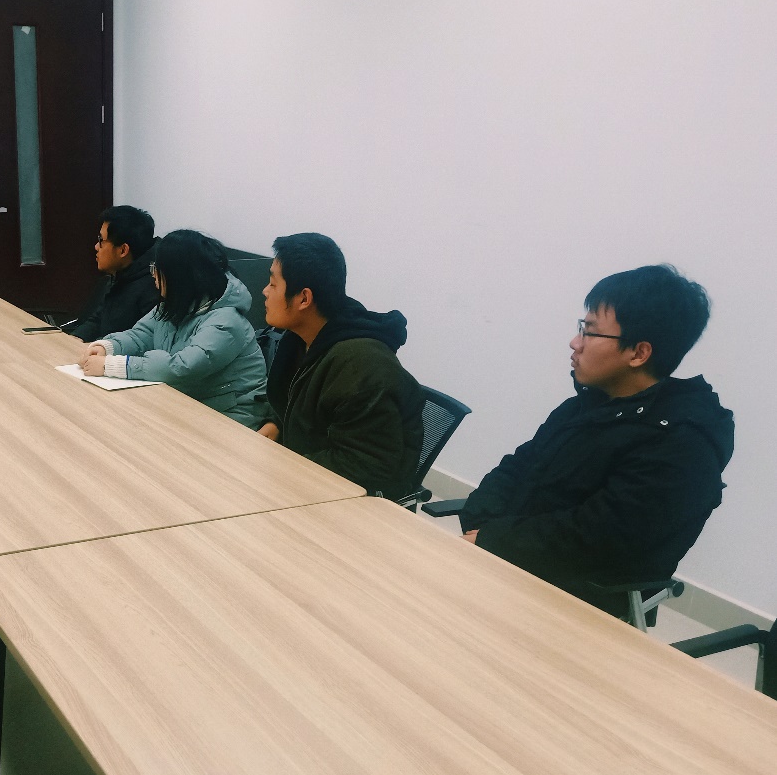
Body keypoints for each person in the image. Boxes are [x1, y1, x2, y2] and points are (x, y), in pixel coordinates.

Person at [460, 264, 734, 616]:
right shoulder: (588, 405)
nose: (575, 343)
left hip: (569, 606)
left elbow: (597, 538)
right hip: (507, 567)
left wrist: (494, 539)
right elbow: (517, 466)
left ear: (638, 353)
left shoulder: (682, 444)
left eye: (589, 332)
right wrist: (480, 522)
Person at [258, 234, 425, 499]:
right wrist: (276, 424)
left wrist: (283, 467)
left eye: (273, 284)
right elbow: (301, 402)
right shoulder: (303, 337)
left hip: (350, 501)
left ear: (304, 299)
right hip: (305, 479)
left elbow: (365, 466)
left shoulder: (363, 367)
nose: (265, 291)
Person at [79, 229, 267, 427]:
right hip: (192, 403)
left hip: (232, 416)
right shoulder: (177, 303)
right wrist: (107, 347)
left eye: (157, 269)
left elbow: (182, 367)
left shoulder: (226, 320)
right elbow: (141, 335)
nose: (153, 275)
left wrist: (113, 365)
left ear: (179, 276)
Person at [66, 205, 160, 342]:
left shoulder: (154, 285)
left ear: (123, 250)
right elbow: (98, 319)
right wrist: (74, 338)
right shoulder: (122, 273)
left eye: (101, 241)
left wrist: (95, 347)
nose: (96, 247)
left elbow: (138, 341)